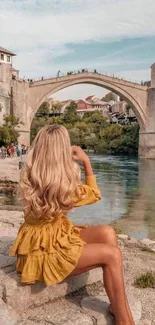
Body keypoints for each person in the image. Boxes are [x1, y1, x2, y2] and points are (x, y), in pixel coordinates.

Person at [10, 125, 135, 325]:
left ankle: (116, 304)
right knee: (113, 254)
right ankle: (125, 320)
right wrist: (86, 161)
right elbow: (95, 194)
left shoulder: (33, 175)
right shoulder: (63, 184)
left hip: (51, 238)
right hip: (43, 253)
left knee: (108, 232)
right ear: (62, 150)